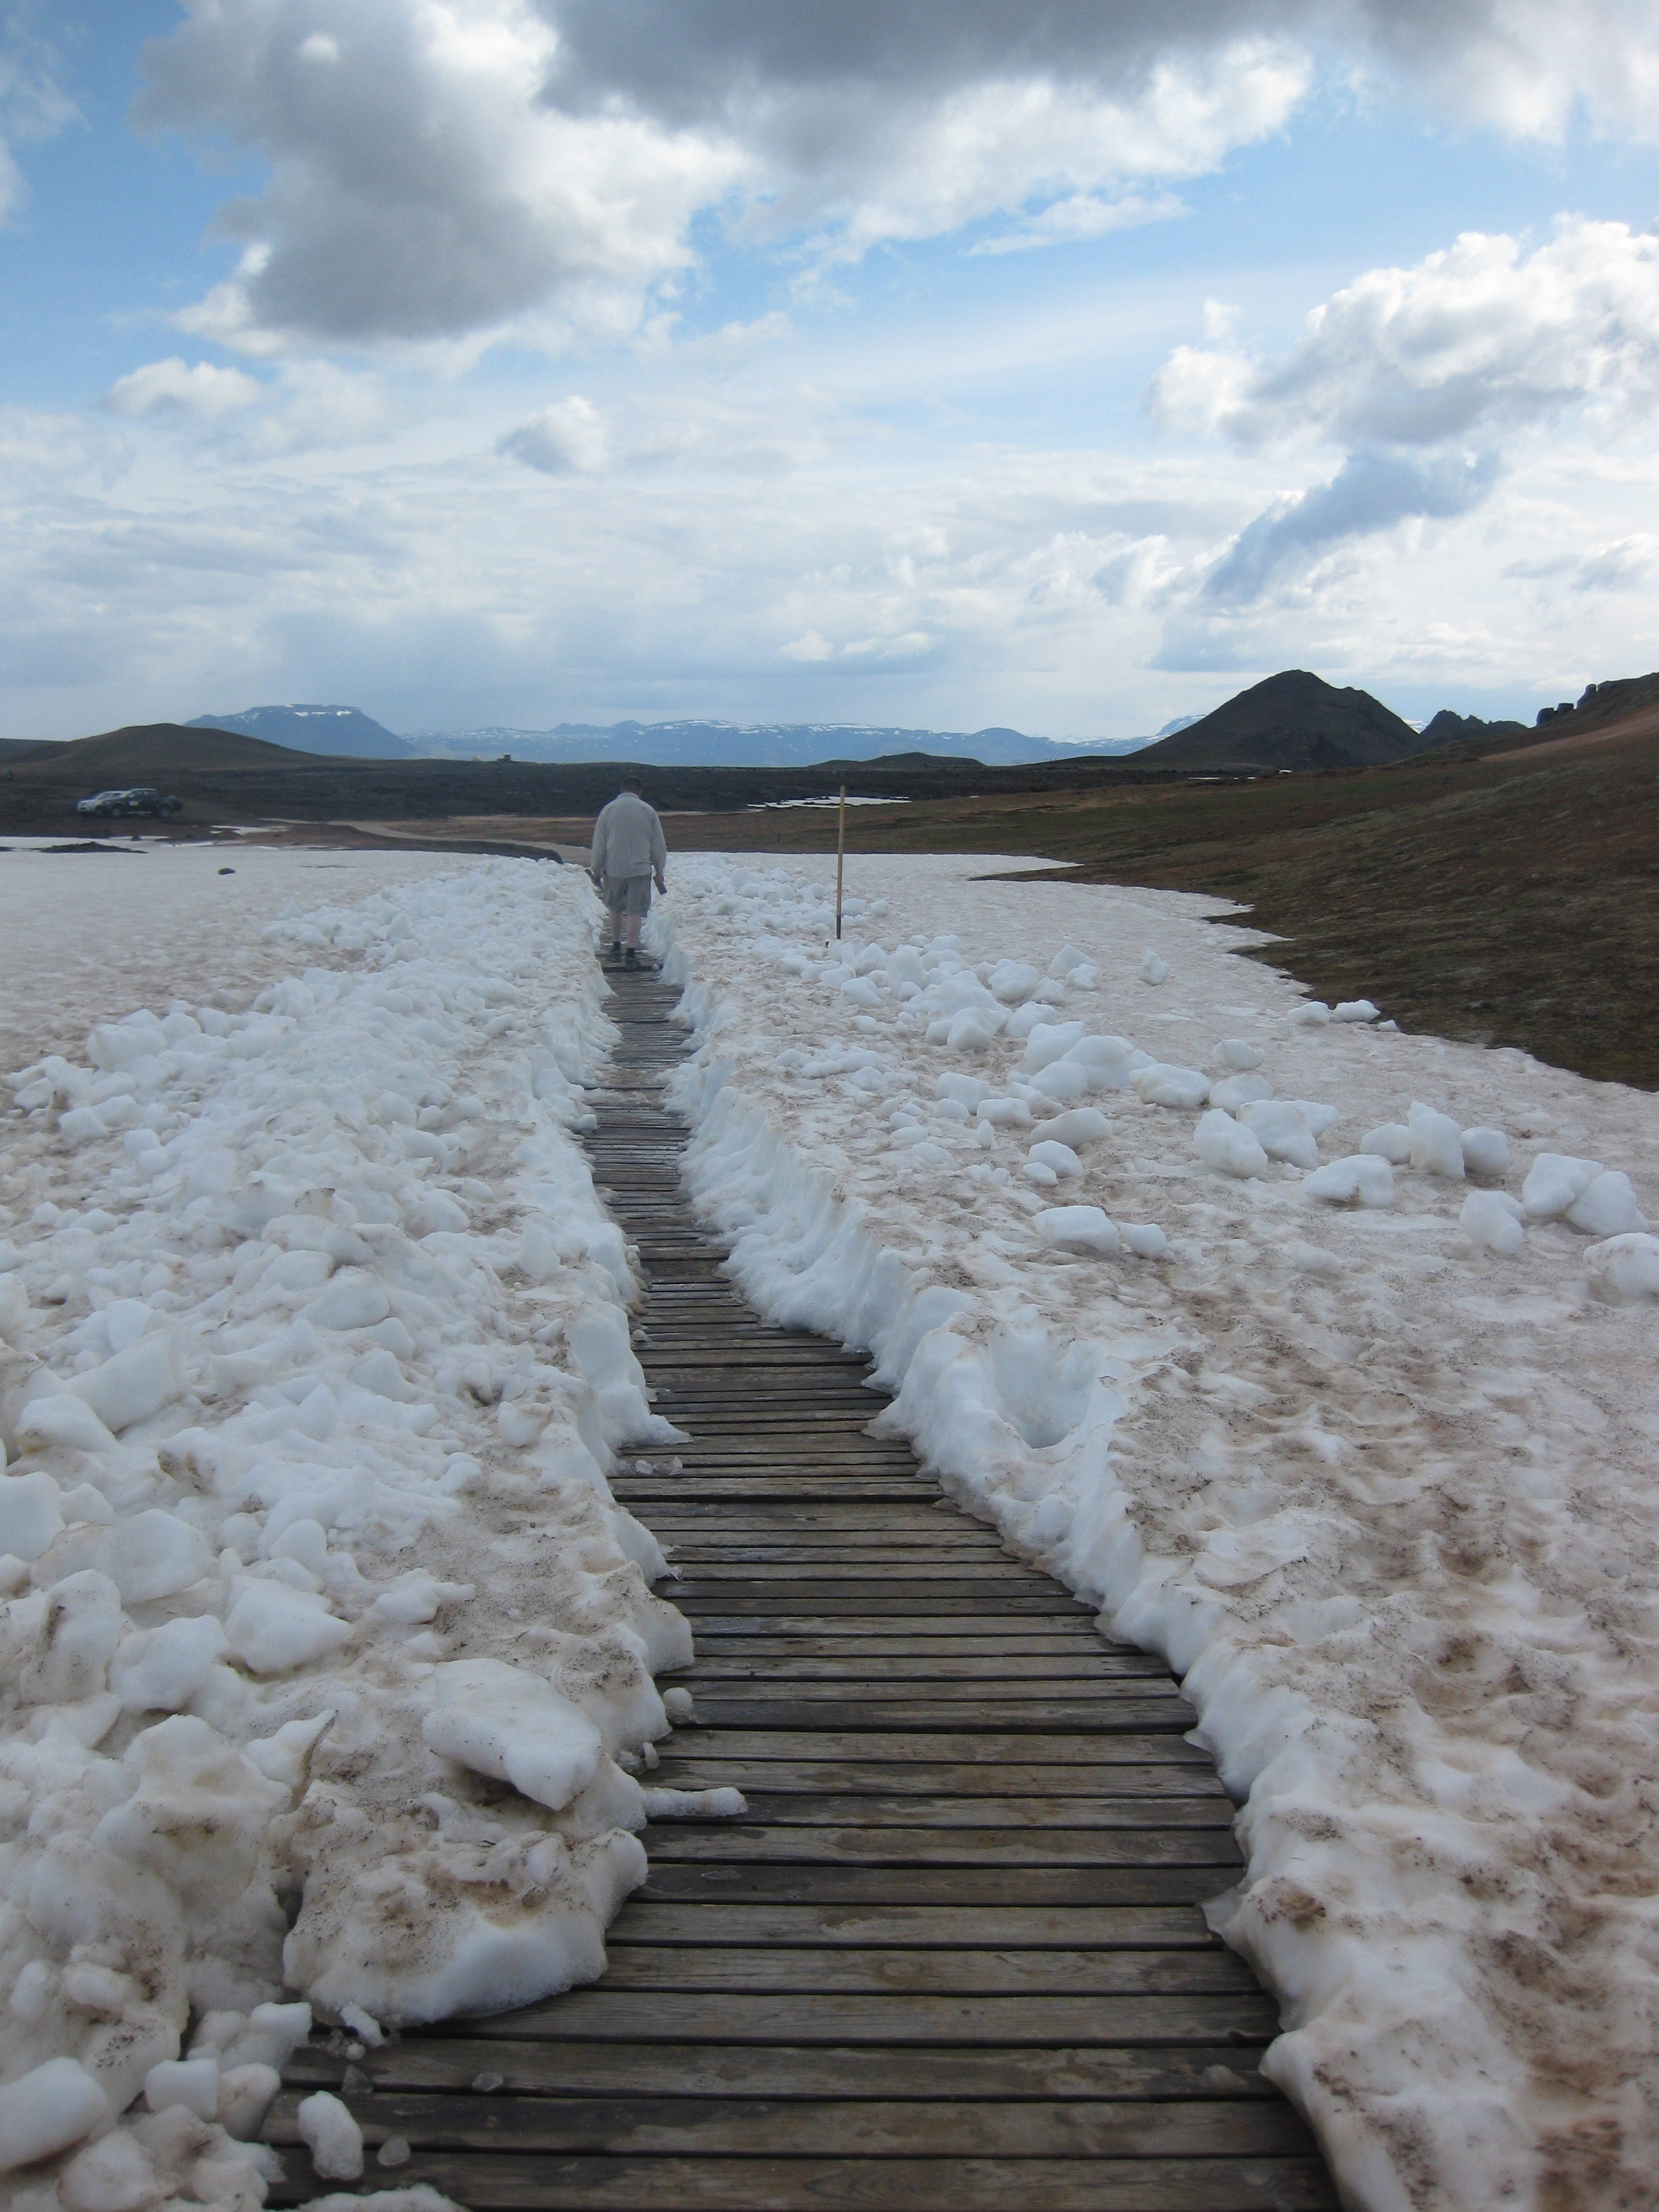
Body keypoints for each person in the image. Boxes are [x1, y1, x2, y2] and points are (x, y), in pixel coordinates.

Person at [589, 773, 667, 968]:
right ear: (639, 792)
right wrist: (660, 870)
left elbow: (599, 844)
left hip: (614, 868)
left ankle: (615, 948)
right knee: (635, 912)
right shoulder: (649, 811)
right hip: (641, 869)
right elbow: (658, 845)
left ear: (621, 790)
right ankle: (631, 953)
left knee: (614, 908)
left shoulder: (607, 811)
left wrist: (596, 870)